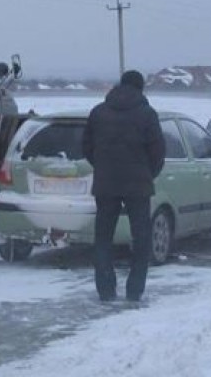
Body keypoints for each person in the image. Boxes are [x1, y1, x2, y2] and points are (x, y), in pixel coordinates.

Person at [82, 69, 165, 303]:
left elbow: (86, 147)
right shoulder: (147, 114)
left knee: (103, 238)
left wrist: (102, 167)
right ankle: (134, 290)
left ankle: (106, 290)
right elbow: (158, 151)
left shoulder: (98, 112)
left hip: (105, 184)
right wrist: (149, 173)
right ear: (141, 88)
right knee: (141, 238)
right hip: (138, 185)